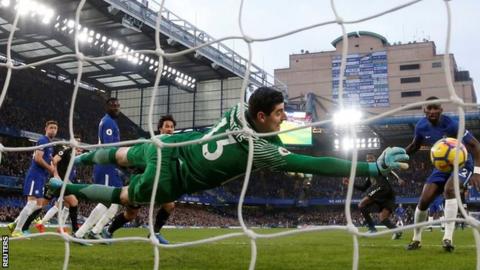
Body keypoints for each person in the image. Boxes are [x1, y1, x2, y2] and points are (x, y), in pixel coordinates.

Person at [47, 87, 409, 235]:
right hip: (172, 180)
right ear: (263, 116)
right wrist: (371, 168)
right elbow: (317, 164)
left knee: (123, 152)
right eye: (280, 113)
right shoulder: (262, 149)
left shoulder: (237, 109)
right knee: (126, 198)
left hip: (169, 146)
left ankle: (79, 157)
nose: (284, 118)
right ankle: (66, 185)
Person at [406, 97, 480, 252]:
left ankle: (447, 238)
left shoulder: (451, 124)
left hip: (462, 164)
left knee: (449, 190)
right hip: (441, 166)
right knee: (424, 200)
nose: (432, 111)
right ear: (424, 110)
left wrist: (477, 172)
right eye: (429, 108)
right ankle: (416, 239)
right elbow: (414, 146)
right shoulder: (420, 126)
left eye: (435, 108)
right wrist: (400, 155)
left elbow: (475, 145)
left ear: (441, 110)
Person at [103, 115, 177, 244]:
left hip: (157, 182)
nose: (170, 129)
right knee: (131, 214)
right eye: (167, 126)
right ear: (160, 129)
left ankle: (155, 233)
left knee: (169, 204)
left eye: (172, 127)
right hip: (141, 181)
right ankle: (108, 232)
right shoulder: (151, 143)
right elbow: (137, 161)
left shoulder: (174, 147)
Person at [75, 98, 122, 240]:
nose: (116, 108)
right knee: (107, 201)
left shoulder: (111, 122)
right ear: (107, 107)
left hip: (110, 166)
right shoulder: (107, 122)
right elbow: (108, 147)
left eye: (118, 106)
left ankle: (96, 231)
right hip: (105, 165)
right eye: (113, 106)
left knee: (115, 202)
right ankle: (80, 233)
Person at [10, 120, 58, 237]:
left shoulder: (50, 144)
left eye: (55, 128)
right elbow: (37, 158)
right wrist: (50, 169)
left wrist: (53, 164)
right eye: (51, 127)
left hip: (41, 177)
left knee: (40, 204)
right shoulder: (42, 140)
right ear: (45, 129)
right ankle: (17, 230)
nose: (53, 130)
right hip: (35, 175)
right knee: (32, 203)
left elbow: (49, 157)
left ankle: (14, 224)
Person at [343, 153, 403, 240]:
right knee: (382, 218)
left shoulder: (378, 166)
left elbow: (390, 170)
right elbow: (363, 188)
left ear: (374, 159)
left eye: (371, 158)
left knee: (361, 204)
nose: (369, 160)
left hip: (383, 189)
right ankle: (397, 231)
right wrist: (350, 183)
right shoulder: (369, 174)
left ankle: (372, 229)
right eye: (367, 159)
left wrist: (398, 178)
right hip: (384, 196)